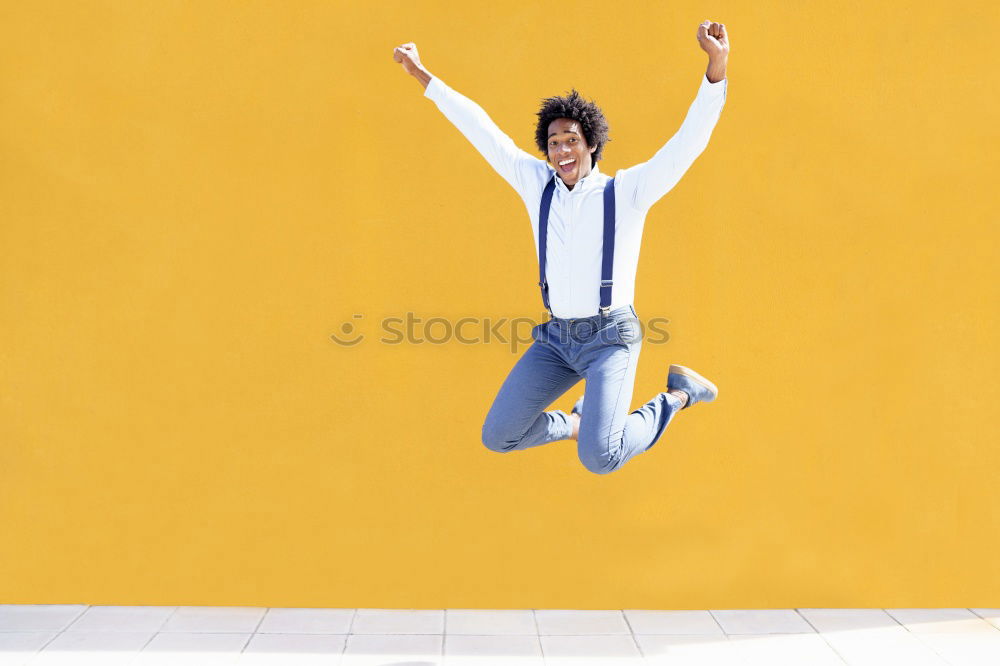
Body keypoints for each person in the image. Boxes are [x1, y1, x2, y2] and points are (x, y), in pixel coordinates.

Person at [392, 21, 730, 474]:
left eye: (571, 140)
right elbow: (482, 130)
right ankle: (575, 423)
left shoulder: (626, 192)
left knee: (601, 458)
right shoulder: (537, 186)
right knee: (499, 437)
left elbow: (686, 145)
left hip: (611, 339)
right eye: (554, 143)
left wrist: (716, 66)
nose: (562, 151)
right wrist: (420, 74)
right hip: (557, 340)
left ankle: (677, 396)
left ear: (591, 144)